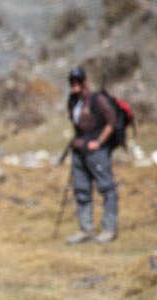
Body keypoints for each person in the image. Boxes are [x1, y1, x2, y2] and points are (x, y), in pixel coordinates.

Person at [65, 66, 119, 244]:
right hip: (79, 152)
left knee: (107, 188)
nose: (75, 85)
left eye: (78, 81)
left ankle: (109, 229)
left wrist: (99, 142)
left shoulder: (98, 99)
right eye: (72, 82)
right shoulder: (73, 101)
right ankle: (86, 229)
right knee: (81, 190)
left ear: (85, 81)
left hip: (97, 152)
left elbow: (111, 122)